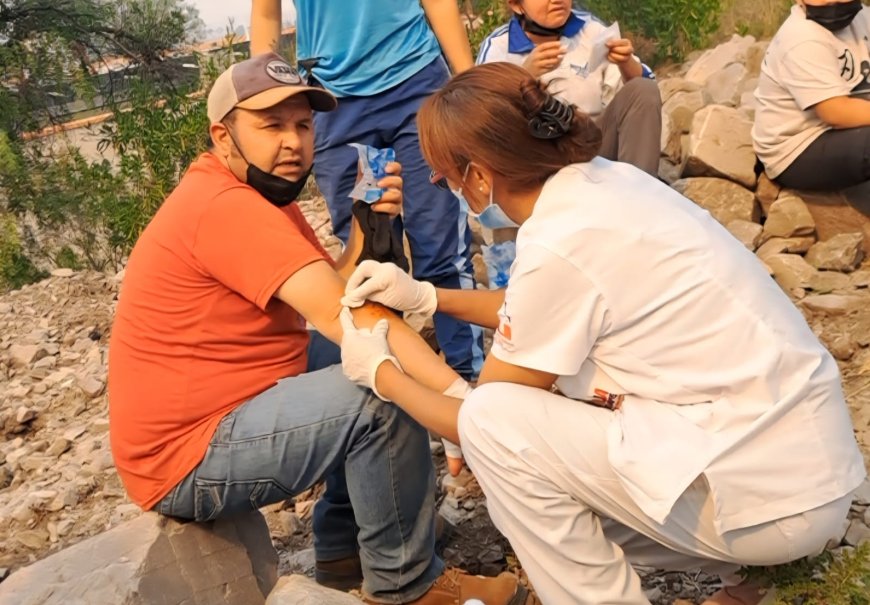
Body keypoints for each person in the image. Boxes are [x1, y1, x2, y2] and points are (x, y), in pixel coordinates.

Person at [337, 62, 867, 605]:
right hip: (810, 465)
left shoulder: (560, 243)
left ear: (477, 175)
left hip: (773, 500)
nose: (441, 186)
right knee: (561, 433)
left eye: (443, 174)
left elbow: (484, 416)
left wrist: (381, 374)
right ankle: (747, 588)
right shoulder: (606, 183)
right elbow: (541, 308)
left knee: (500, 433)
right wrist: (429, 297)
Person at [107, 53, 532, 605]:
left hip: (225, 406)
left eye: (303, 125)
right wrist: (466, 409)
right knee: (378, 389)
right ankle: (408, 587)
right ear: (223, 135)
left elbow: (330, 287)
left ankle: (344, 546)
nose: (293, 142)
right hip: (186, 456)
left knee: (346, 361)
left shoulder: (253, 193)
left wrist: (366, 227)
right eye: (271, 125)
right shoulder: (225, 207)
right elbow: (349, 320)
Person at [250, 0, 485, 382]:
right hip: (336, 105)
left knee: (440, 247)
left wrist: (469, 82)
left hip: (416, 82)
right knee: (370, 257)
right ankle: (400, 395)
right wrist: (264, 97)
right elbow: (265, 13)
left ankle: (467, 385)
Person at [476, 0, 662, 176]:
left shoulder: (590, 30)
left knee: (643, 90)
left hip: (594, 149)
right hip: (539, 164)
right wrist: (525, 74)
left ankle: (637, 196)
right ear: (516, 5)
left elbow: (643, 97)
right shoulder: (498, 48)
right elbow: (482, 122)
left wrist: (626, 62)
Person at [753, 0, 870, 190]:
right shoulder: (801, 37)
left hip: (836, 126)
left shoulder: (862, 18)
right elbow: (835, 112)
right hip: (797, 147)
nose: (833, 2)